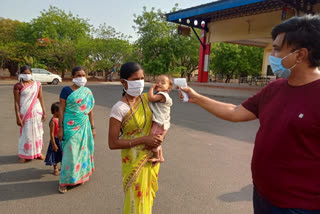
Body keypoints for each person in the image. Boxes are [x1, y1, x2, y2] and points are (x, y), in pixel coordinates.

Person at [180, 15, 320, 213]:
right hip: (263, 195)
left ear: (300, 55)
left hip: (300, 206)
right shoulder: (275, 88)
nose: (273, 53)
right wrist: (196, 97)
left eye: (278, 48)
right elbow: (235, 112)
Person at [108, 62, 163, 214]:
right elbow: (112, 143)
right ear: (123, 82)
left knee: (146, 198)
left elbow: (162, 119)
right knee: (134, 200)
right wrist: (144, 140)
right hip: (132, 161)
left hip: (150, 157)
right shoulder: (119, 108)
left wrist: (159, 142)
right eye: (135, 79)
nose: (140, 82)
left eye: (142, 78)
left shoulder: (147, 99)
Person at [57, 66, 95, 193]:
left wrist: (93, 127)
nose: (82, 78)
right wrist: (60, 127)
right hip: (69, 125)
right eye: (78, 75)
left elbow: (90, 110)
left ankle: (79, 176)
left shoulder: (87, 91)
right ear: (73, 77)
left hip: (84, 124)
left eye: (84, 75)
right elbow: (61, 109)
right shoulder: (66, 90)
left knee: (83, 152)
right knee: (70, 153)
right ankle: (64, 182)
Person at [13, 65, 46, 163]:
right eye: (25, 73)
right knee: (26, 134)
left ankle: (38, 153)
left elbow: (40, 98)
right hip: (25, 112)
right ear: (21, 74)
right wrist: (18, 117)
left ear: (31, 74)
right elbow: (16, 102)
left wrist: (44, 111)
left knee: (38, 133)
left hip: (36, 112)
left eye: (28, 73)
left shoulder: (37, 84)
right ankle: (24, 155)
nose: (27, 75)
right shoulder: (18, 86)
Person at [148, 75, 173, 162]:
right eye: (157, 82)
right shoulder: (163, 94)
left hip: (159, 122)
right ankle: (161, 157)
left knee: (153, 138)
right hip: (163, 122)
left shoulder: (162, 95)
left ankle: (156, 156)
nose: (159, 84)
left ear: (169, 87)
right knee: (158, 138)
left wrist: (151, 88)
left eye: (163, 83)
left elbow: (150, 98)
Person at [44, 102, 63, 176]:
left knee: (62, 154)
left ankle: (63, 167)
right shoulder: (53, 121)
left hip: (62, 140)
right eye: (60, 110)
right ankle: (55, 168)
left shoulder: (60, 119)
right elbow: (51, 134)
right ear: (55, 111)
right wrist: (54, 144)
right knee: (54, 154)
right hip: (55, 140)